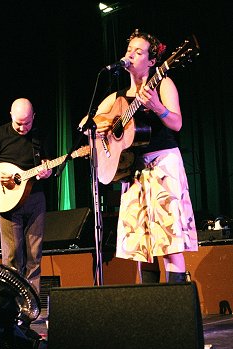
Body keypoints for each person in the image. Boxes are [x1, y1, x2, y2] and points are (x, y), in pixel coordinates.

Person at [80, 29, 198, 284]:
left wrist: (157, 107)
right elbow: (85, 124)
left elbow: (176, 123)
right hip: (134, 171)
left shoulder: (162, 83)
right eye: (129, 50)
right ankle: (151, 313)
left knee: (169, 240)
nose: (131, 55)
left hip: (162, 166)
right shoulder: (117, 97)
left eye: (138, 51)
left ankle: (176, 309)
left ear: (152, 61)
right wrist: (101, 124)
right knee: (141, 245)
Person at [0, 98, 52, 336]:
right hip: (7, 202)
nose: (22, 128)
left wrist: (47, 172)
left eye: (27, 123)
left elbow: (46, 167)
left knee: (33, 256)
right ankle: (10, 309)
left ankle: (31, 311)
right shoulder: (0, 134)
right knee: (11, 256)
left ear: (33, 117)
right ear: (11, 115)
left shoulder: (39, 137)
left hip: (34, 199)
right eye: (19, 123)